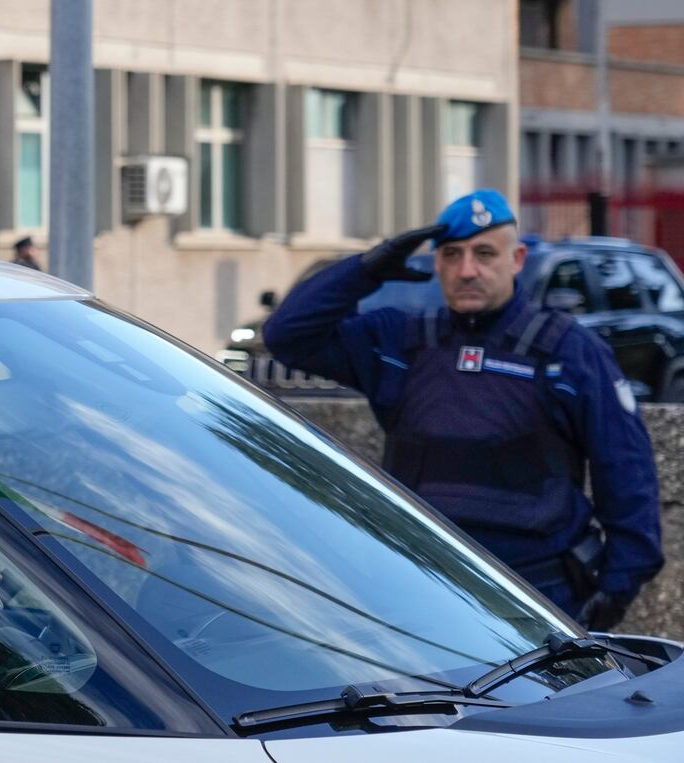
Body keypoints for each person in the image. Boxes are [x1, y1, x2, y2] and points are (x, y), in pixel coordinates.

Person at [262, 189, 664, 630]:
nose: (467, 270)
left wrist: (612, 595)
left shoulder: (568, 350)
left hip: (535, 596)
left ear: (517, 259)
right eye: (451, 255)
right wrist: (366, 269)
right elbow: (287, 335)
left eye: (484, 253)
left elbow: (627, 474)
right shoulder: (402, 341)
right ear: (436, 263)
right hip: (418, 591)